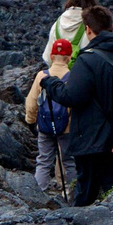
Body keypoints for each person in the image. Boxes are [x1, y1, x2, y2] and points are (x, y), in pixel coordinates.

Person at [52, 3, 113, 206]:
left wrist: (52, 84)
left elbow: (72, 96)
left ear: (88, 30)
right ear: (112, 25)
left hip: (92, 140)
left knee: (86, 194)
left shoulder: (88, 60)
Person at [24, 37, 77, 194]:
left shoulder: (42, 76)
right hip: (66, 128)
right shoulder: (72, 77)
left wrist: (30, 120)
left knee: (44, 160)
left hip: (45, 126)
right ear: (69, 58)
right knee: (68, 161)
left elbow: (32, 101)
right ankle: (70, 191)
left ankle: (39, 193)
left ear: (52, 56)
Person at [44, 0, 100, 65]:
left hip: (58, 76)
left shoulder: (57, 24)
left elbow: (48, 59)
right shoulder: (93, 26)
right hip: (83, 75)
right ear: (92, 0)